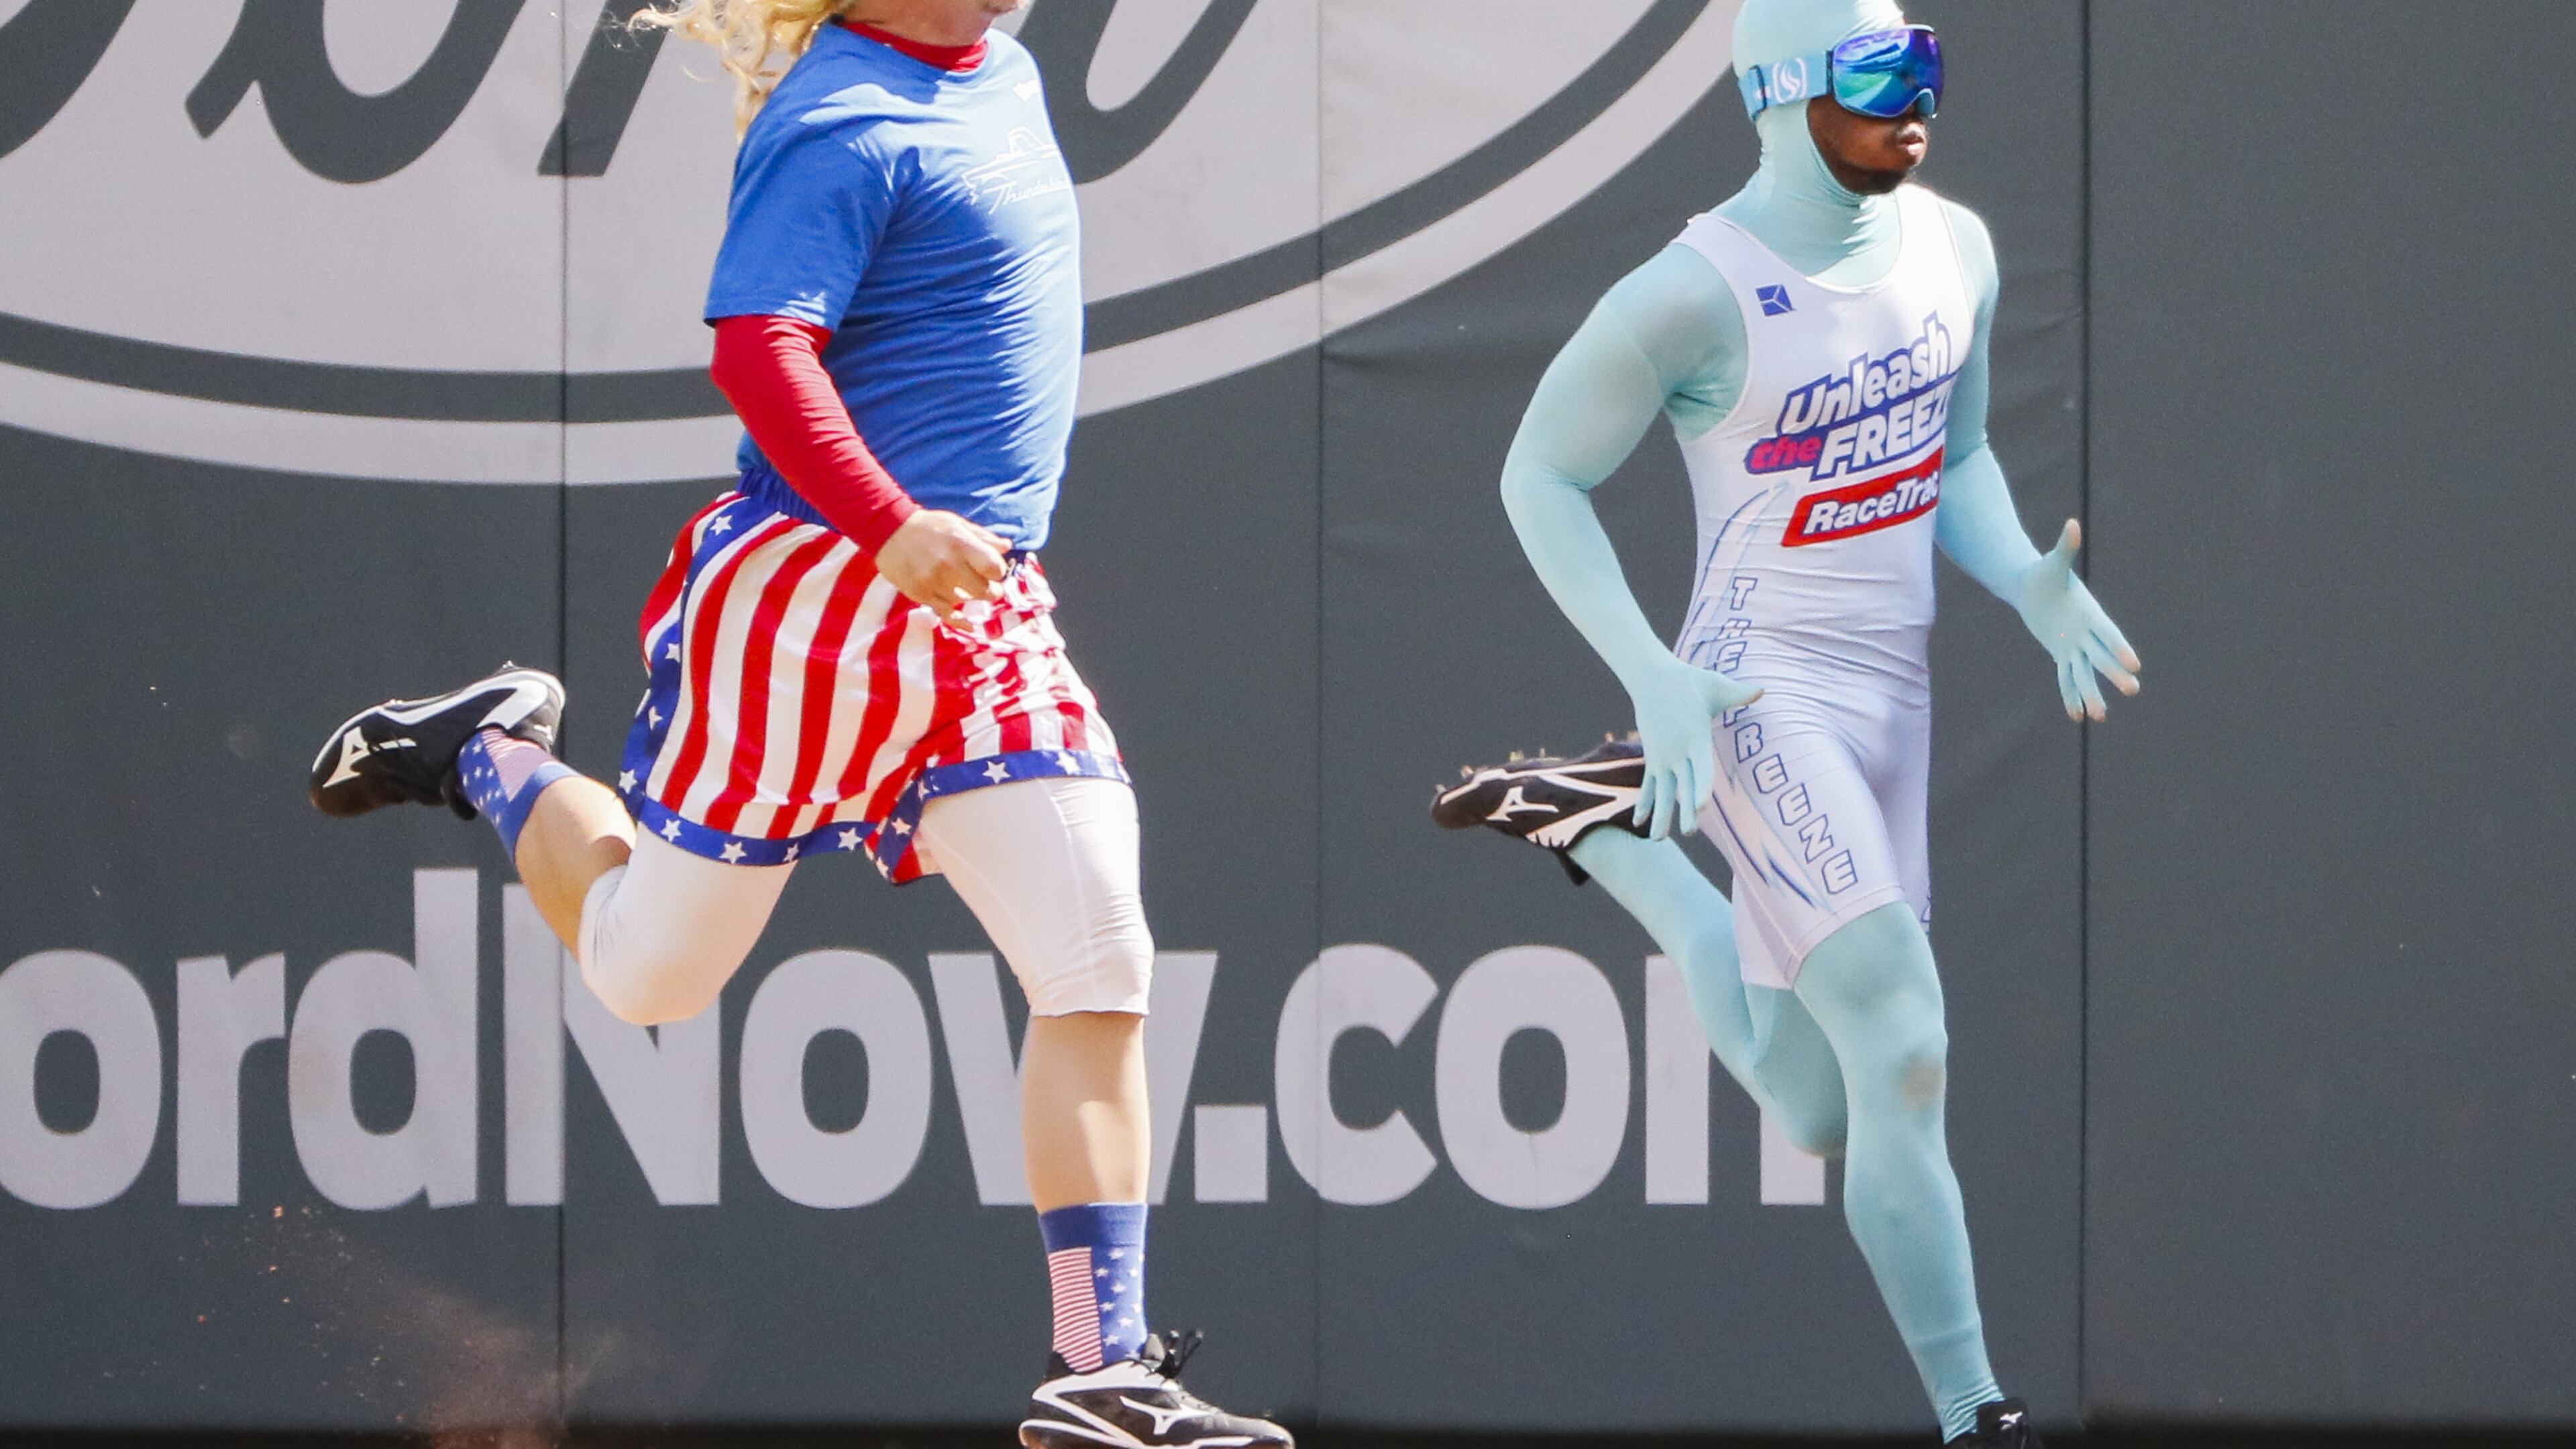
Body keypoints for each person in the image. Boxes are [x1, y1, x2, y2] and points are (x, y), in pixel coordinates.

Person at [307, 3, 1287, 1445]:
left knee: (1099, 952)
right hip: (817, 594)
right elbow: (757, 350)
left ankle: (1103, 1367)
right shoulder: (840, 121)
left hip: (974, 601)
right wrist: (887, 523)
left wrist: (924, 543)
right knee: (648, 975)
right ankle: (488, 752)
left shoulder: (996, 67)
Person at [1431, 3, 2139, 1444]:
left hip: (1897, 698)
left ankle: (1619, 838)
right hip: (1756, 689)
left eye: (1927, 68)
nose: (1914, 104)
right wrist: (1651, 670)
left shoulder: (1958, 248)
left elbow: (1962, 455)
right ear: (1777, 92)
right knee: (1906, 1041)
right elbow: (1537, 477)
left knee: (1821, 1105)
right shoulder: (1690, 292)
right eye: (1879, 78)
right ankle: (1976, 1415)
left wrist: (2027, 585)